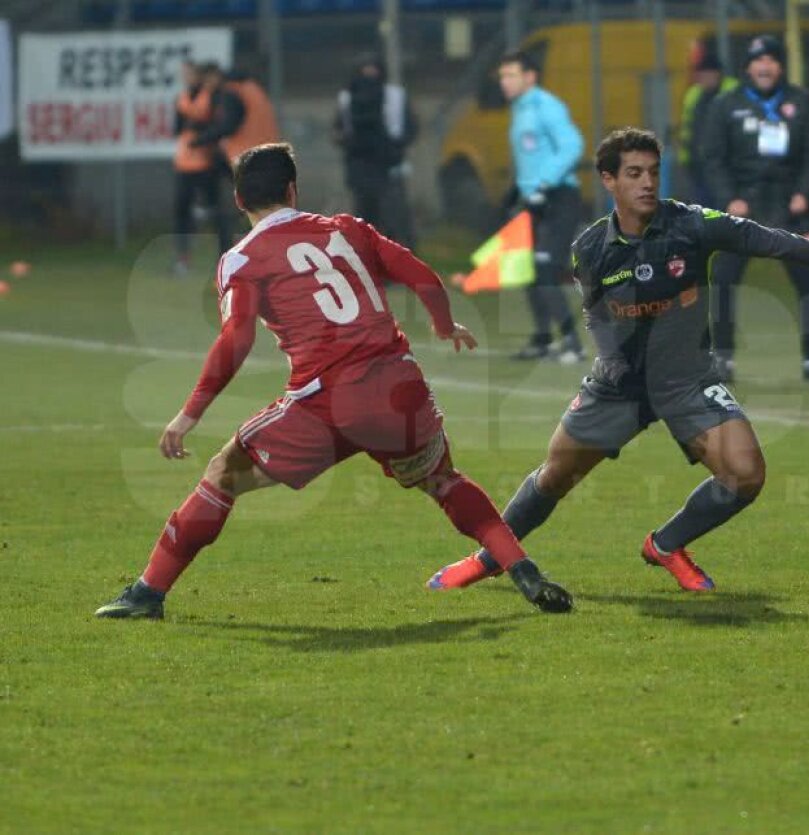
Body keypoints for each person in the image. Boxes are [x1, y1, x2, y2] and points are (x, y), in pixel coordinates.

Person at [95, 143, 572, 619]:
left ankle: (148, 593)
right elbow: (420, 273)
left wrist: (189, 412)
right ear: (292, 189)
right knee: (444, 481)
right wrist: (444, 325)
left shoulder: (241, 259)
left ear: (239, 201)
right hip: (398, 387)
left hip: (326, 404)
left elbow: (235, 339)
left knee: (223, 475)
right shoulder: (346, 229)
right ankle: (522, 568)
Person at [426, 128, 809, 593]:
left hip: (687, 382)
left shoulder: (692, 226)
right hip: (620, 386)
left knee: (746, 474)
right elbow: (598, 322)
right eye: (633, 173)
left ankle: (666, 544)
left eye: (653, 172)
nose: (648, 182)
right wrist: (623, 370)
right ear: (608, 180)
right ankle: (488, 560)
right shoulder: (590, 249)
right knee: (555, 475)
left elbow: (778, 241)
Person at [702, 34, 809, 384]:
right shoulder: (726, 105)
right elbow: (713, 159)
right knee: (723, 280)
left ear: (781, 66)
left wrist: (805, 194)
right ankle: (723, 360)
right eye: (759, 60)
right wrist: (730, 198)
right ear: (748, 67)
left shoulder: (801, 103)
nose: (766, 66)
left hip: (790, 205)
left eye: (773, 60)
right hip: (742, 207)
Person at [498, 50, 586, 363]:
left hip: (558, 197)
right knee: (529, 270)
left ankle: (573, 344)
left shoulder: (545, 106)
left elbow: (573, 145)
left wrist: (544, 184)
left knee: (546, 268)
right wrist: (516, 192)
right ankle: (543, 340)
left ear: (530, 77)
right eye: (502, 76)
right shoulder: (520, 109)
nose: (504, 82)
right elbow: (532, 158)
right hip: (533, 201)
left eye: (510, 75)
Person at [333, 57, 419, 249]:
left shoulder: (394, 96)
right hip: (361, 163)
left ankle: (398, 256)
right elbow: (339, 129)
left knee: (393, 214)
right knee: (366, 214)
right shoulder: (348, 98)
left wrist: (395, 146)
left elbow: (410, 127)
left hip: (387, 163)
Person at [172, 60, 231, 276]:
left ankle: (224, 261)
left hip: (206, 162)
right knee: (181, 211)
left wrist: (198, 129)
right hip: (184, 162)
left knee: (216, 212)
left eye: (190, 74)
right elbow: (177, 128)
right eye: (184, 74)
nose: (187, 78)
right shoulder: (182, 98)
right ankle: (182, 258)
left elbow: (217, 125)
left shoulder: (212, 97)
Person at [191, 64, 280, 176]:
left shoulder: (230, 92)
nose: (205, 88)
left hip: (247, 153)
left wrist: (201, 140)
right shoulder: (249, 86)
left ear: (213, 76)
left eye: (205, 83)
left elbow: (229, 125)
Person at [677, 48, 737, 206]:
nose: (703, 78)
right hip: (698, 167)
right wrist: (686, 159)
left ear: (717, 73)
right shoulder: (694, 94)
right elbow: (688, 130)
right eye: (700, 74)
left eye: (707, 74)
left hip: (728, 167)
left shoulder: (733, 93)